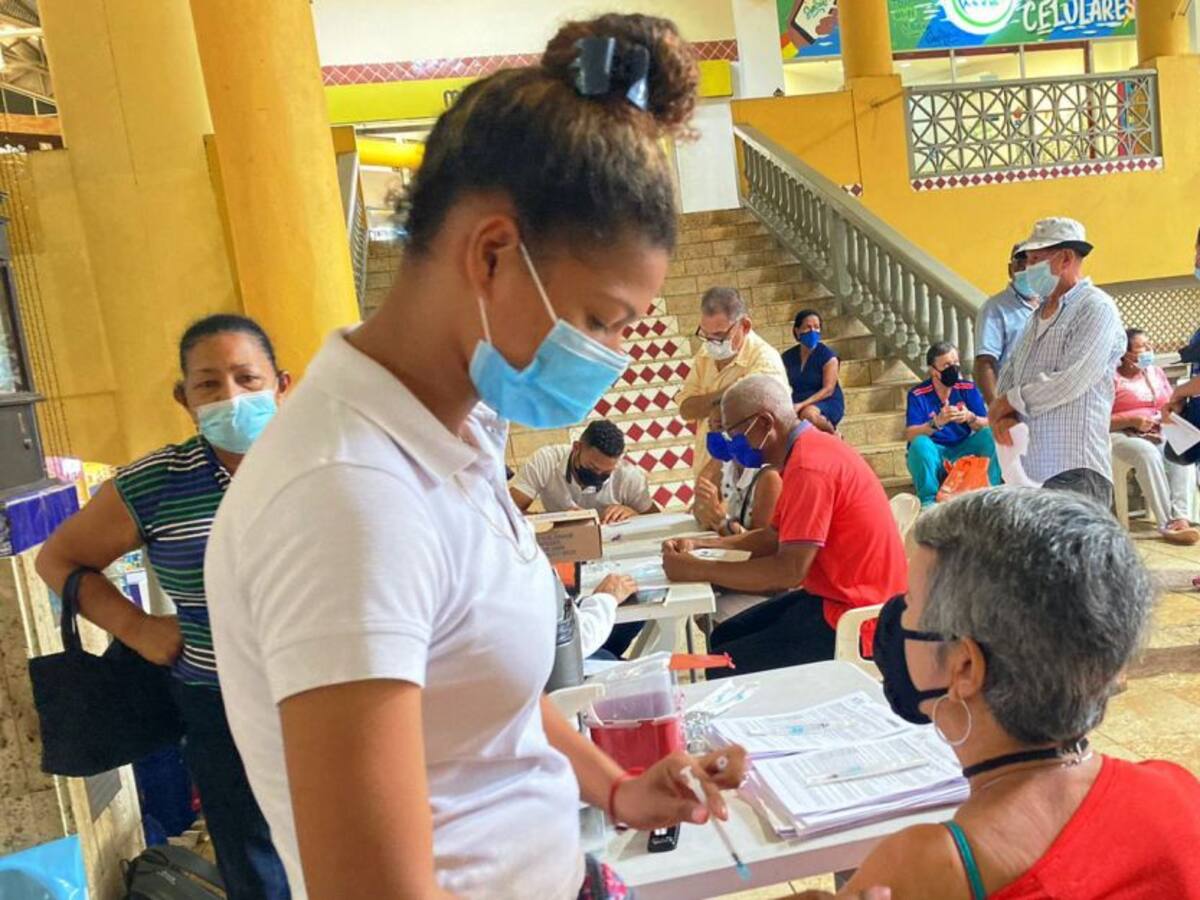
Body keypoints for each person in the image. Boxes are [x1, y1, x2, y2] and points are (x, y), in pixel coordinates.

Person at [202, 16, 746, 899]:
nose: (611, 356)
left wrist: (617, 788)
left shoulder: (453, 434)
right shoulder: (347, 496)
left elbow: (484, 700)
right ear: (493, 254)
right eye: (601, 319)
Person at [803, 487, 1200, 899]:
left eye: (910, 601)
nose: (895, 615)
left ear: (965, 667)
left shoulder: (924, 867)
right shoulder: (1178, 795)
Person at [35, 315, 292, 900]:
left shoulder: (330, 462)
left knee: (360, 848)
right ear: (184, 398)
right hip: (219, 702)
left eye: (248, 379)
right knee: (256, 864)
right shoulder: (155, 483)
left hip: (337, 692)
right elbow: (59, 559)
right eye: (209, 384)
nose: (231, 397)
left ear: (282, 384)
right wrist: (135, 626)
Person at [662, 375, 907, 675]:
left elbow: (787, 572)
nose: (733, 444)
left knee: (723, 664)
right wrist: (700, 545)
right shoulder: (803, 453)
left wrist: (697, 570)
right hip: (832, 597)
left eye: (736, 435)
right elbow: (773, 536)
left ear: (765, 423)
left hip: (858, 618)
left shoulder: (809, 467)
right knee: (723, 636)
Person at [990, 217, 1125, 508]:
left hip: (1075, 467)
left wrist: (1010, 401)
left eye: (1035, 260)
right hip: (1029, 469)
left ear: (1065, 258)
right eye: (1026, 260)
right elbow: (1010, 372)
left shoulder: (1095, 307)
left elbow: (1072, 378)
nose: (1028, 269)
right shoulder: (1035, 316)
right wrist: (1006, 412)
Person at [676, 286, 787, 477]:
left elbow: (751, 429)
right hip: (706, 474)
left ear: (745, 326)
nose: (712, 342)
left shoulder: (766, 361)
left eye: (720, 335)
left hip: (750, 479)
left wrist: (718, 405)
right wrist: (728, 397)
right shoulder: (705, 353)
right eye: (706, 334)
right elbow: (686, 408)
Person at [1111, 328, 1199, 544]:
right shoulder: (1111, 379)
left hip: (1157, 431)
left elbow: (1169, 401)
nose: (1150, 350)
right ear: (1125, 354)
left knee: (1183, 446)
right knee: (1147, 453)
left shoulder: (1155, 373)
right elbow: (1099, 420)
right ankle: (1166, 522)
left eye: (1150, 345)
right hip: (1120, 434)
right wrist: (1132, 420)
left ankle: (1182, 517)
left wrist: (1175, 408)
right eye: (1143, 347)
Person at [905, 342, 1000, 508]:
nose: (953, 368)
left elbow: (987, 422)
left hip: (963, 450)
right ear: (934, 371)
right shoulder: (918, 394)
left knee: (991, 435)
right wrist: (936, 423)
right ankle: (929, 502)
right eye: (947, 365)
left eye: (956, 363)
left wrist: (970, 417)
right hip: (935, 452)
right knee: (919, 444)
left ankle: (990, 492)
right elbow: (910, 434)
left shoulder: (967, 388)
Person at [509, 419, 656, 524]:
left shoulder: (629, 477)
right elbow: (506, 512)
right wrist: (557, 521)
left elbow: (656, 523)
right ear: (576, 448)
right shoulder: (546, 460)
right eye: (593, 467)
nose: (598, 475)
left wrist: (634, 516)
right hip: (562, 541)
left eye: (606, 472)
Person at [974, 245, 1036, 405]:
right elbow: (985, 362)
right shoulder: (995, 308)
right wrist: (997, 409)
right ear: (1010, 270)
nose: (1026, 270)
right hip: (1012, 403)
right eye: (1020, 265)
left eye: (1032, 264)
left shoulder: (1052, 303)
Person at [781, 309, 844, 433]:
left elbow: (828, 390)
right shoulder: (787, 357)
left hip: (825, 400)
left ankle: (834, 435)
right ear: (797, 331)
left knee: (808, 414)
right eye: (808, 327)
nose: (812, 331)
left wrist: (802, 405)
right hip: (797, 400)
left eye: (816, 327)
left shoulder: (829, 357)